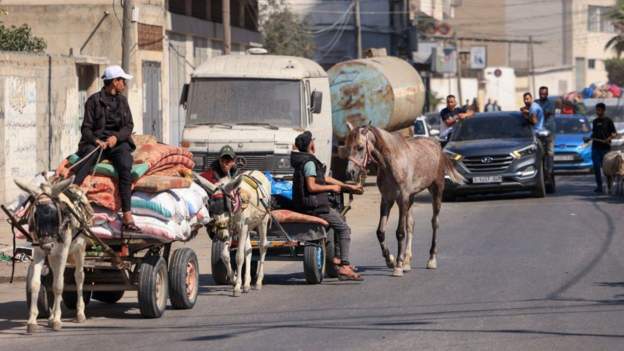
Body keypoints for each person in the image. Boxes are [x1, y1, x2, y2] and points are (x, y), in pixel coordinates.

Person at [72, 65, 140, 232]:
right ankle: (71, 201)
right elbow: (86, 129)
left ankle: (127, 214)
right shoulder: (93, 101)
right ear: (114, 82)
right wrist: (96, 141)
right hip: (96, 144)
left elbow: (129, 126)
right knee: (85, 162)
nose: (124, 83)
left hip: (117, 144)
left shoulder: (123, 101)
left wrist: (116, 138)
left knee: (125, 166)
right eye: (122, 80)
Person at [291, 131, 364, 281]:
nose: (314, 143)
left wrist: (347, 187)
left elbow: (325, 178)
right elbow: (312, 186)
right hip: (315, 206)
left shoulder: (305, 160)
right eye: (313, 141)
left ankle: (336, 258)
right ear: (310, 144)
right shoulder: (309, 162)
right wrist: (330, 188)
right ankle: (344, 265)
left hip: (309, 203)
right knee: (344, 228)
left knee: (335, 224)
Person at [589, 103, 617, 193]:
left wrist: (608, 139)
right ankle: (599, 186)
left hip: (605, 148)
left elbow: (614, 133)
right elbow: (593, 134)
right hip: (595, 148)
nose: (598, 112)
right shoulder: (595, 122)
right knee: (596, 167)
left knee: (606, 169)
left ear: (603, 110)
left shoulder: (608, 121)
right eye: (597, 110)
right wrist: (588, 138)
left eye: (599, 110)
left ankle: (609, 184)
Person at [536, 87, 556, 174]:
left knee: (549, 151)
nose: (542, 95)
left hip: (549, 131)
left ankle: (550, 169)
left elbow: (546, 113)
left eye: (544, 94)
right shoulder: (536, 102)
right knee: (538, 151)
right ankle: (540, 169)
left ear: (547, 94)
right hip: (538, 131)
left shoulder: (550, 103)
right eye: (541, 94)